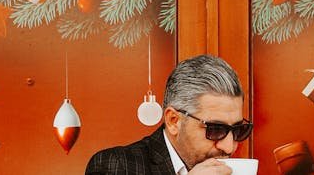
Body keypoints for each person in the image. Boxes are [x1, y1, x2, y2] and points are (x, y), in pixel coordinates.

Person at [85, 54, 252, 175]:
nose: (230, 147)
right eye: (215, 129)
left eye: (238, 130)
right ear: (174, 121)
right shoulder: (116, 165)